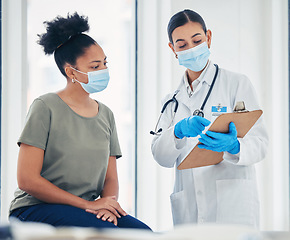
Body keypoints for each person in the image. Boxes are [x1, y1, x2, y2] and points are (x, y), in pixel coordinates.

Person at [9, 12, 151, 230]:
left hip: (84, 209)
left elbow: (110, 178)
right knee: (107, 233)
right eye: (95, 67)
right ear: (70, 72)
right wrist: (89, 205)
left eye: (104, 63)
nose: (103, 70)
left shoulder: (106, 115)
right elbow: (27, 180)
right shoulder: (45, 107)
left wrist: (107, 205)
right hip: (35, 207)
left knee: (143, 233)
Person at [151, 9, 268, 228]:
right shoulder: (172, 101)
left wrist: (234, 147)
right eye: (182, 44)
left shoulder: (237, 84)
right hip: (190, 210)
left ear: (209, 37)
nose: (191, 49)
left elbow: (261, 144)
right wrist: (177, 132)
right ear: (172, 49)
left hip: (233, 206)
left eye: (197, 40)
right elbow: (161, 156)